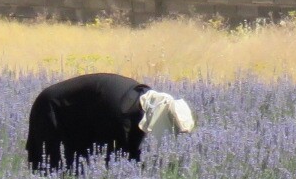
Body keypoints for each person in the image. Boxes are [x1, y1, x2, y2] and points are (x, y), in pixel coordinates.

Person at [24, 72, 195, 172]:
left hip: (82, 118)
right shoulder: (120, 111)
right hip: (53, 109)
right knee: (48, 170)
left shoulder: (141, 101)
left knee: (76, 170)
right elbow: (115, 155)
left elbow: (130, 146)